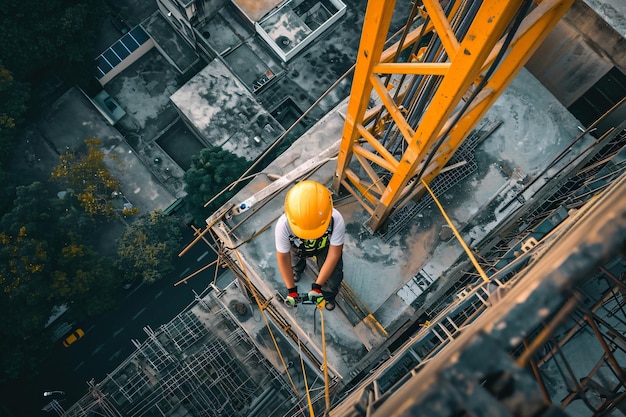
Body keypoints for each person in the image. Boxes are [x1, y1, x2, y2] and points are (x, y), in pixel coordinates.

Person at [275, 180, 345, 311]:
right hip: (298, 249)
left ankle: (328, 295)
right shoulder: (283, 226)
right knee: (294, 262)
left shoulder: (336, 220)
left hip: (324, 248)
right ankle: (297, 271)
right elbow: (283, 258)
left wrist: (317, 286)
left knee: (334, 277)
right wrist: (291, 290)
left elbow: (334, 254)